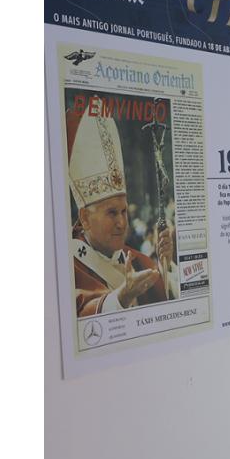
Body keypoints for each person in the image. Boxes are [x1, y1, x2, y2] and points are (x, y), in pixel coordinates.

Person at [66, 109, 179, 317]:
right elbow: (77, 315)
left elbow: (170, 302)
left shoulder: (138, 260)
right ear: (85, 218)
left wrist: (165, 265)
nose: (121, 222)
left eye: (124, 211)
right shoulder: (68, 266)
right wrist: (122, 297)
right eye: (111, 213)